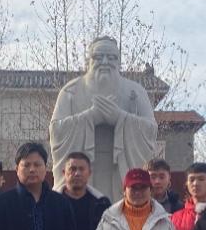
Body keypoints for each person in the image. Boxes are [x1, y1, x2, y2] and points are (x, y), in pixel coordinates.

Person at [50, 36, 159, 203]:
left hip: (119, 170)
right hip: (85, 172)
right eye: (98, 57)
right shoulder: (70, 92)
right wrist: (91, 116)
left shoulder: (136, 92)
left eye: (111, 57)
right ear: (88, 61)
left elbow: (150, 130)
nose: (105, 62)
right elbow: (56, 132)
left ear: (119, 62)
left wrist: (120, 118)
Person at [58, 151, 111, 230]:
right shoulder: (52, 203)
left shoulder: (101, 204)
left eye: (81, 169)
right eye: (72, 169)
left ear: (89, 173)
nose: (77, 173)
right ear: (64, 172)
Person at [171, 162, 206, 230]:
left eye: (201, 179)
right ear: (186, 184)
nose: (195, 183)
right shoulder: (175, 218)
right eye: (191, 180)